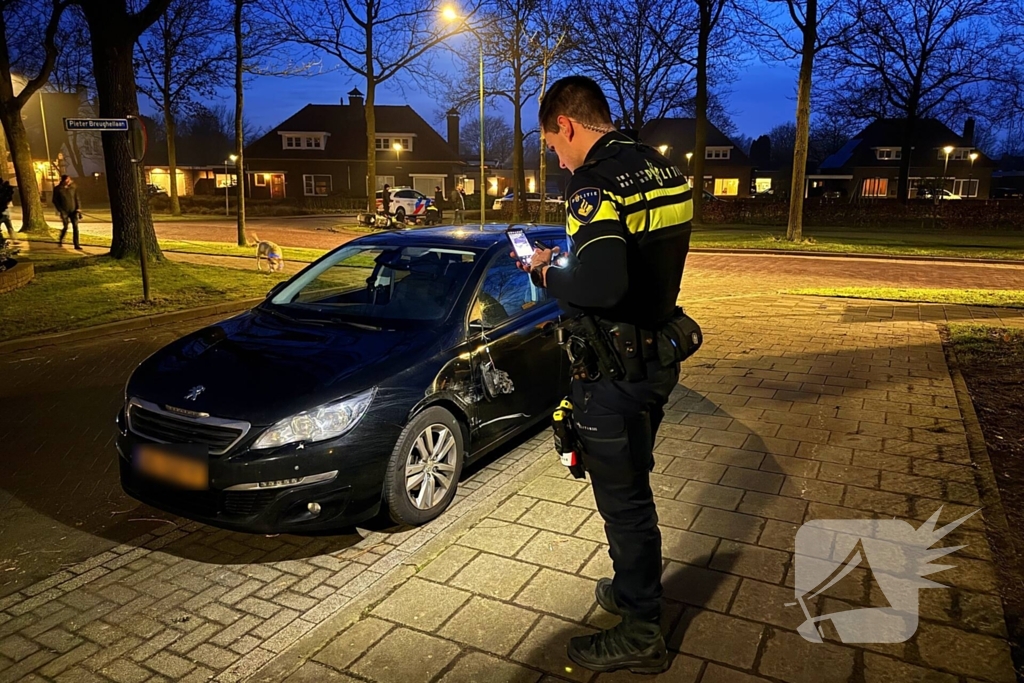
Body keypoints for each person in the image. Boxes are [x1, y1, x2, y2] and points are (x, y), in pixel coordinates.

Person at [518, 76, 693, 674]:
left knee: (623, 500)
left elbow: (601, 283)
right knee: (632, 478)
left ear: (566, 125)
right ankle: (630, 586)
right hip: (656, 354)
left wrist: (545, 272)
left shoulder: (593, 186)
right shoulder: (659, 167)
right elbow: (644, 266)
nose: (555, 157)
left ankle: (642, 625)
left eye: (550, 144)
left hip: (616, 368)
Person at [53, 175, 82, 250]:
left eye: (69, 179)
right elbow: (55, 200)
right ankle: (60, 240)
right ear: (63, 180)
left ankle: (76, 245)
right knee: (65, 227)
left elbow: (77, 198)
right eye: (67, 180)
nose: (69, 181)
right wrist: (60, 210)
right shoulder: (58, 189)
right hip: (64, 211)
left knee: (75, 227)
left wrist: (78, 208)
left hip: (73, 210)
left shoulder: (73, 187)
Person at [0, 179, 16, 245]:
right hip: (5, 213)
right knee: (10, 227)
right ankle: (14, 239)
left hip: (2, 213)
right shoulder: (5, 192)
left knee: (9, 226)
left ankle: (2, 241)